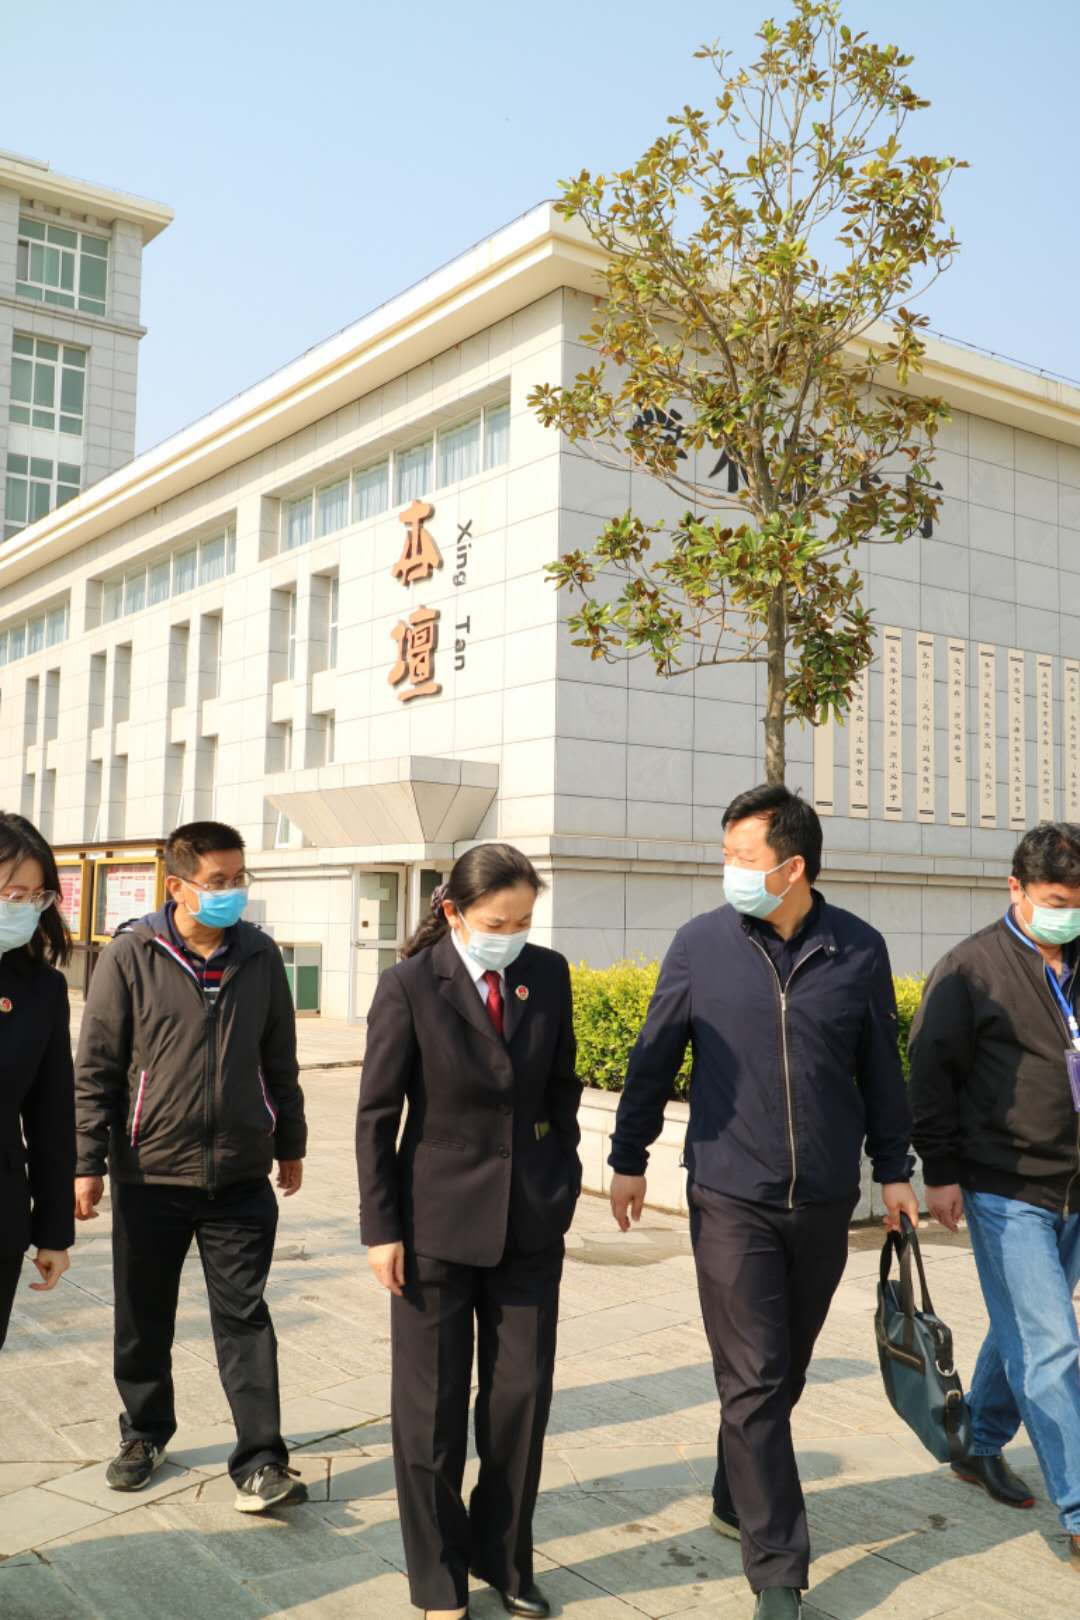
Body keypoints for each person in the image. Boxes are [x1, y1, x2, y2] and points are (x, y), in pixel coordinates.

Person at [608, 784, 918, 1620]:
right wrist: (628, 1157)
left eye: (743, 859)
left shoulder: (859, 948)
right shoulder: (700, 946)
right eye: (726, 856)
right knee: (753, 1374)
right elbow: (653, 1056)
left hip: (823, 1196)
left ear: (794, 867)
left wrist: (895, 1168)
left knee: (783, 1372)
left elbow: (880, 1069)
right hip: (729, 1193)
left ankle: (731, 1490)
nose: (730, 871)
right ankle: (779, 1572)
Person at [356, 843, 581, 1620]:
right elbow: (376, 1116)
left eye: (523, 922)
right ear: (454, 911)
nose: (510, 936)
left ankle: (504, 1559)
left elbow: (561, 1087)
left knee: (521, 1399)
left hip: (529, 1223)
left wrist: (561, 1175)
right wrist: (381, 1228)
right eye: (496, 922)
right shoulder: (410, 985)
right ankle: (438, 1579)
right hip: (433, 1229)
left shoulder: (547, 974)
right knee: (431, 1413)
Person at [73, 820, 308, 1513]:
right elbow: (97, 1067)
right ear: (177, 886)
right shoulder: (130, 955)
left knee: (245, 1317)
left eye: (239, 878)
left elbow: (280, 1057)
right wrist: (87, 1160)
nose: (232, 891)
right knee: (144, 1315)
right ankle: (144, 1433)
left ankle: (261, 1461)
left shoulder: (260, 955)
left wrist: (289, 1141)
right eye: (217, 881)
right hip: (150, 1173)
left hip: (239, 1174)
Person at [909, 820, 1080, 1576]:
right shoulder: (972, 969)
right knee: (1051, 1346)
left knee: (1026, 1328)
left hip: (1076, 1185)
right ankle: (1079, 1510)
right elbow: (929, 1074)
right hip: (1006, 1187)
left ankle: (978, 1442)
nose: (1068, 915)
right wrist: (939, 1171)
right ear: (1016, 887)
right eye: (1056, 902)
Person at [0, 812, 76, 1349]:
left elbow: (52, 1119)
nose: (24, 908)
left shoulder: (41, 989)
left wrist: (53, 1232)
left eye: (35, 897)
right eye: (11, 894)